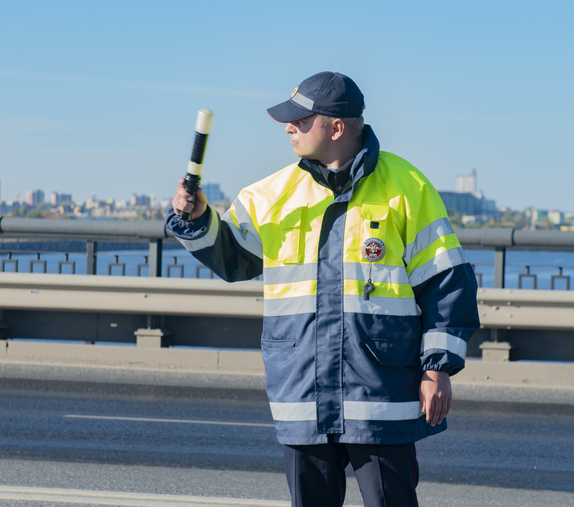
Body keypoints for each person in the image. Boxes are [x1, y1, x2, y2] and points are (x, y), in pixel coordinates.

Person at [167, 71, 480, 507]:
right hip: (302, 390)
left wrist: (438, 368)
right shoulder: (269, 193)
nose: (288, 128)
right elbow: (233, 259)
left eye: (300, 120)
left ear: (335, 127)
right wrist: (199, 219)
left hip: (379, 392)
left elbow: (447, 283)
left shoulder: (407, 187)